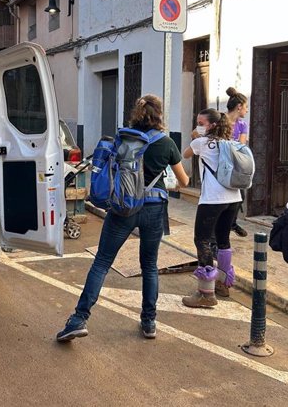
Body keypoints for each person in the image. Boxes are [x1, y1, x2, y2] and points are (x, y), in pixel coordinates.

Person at [56, 95, 189, 342]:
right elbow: (184, 182)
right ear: (159, 115)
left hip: (122, 207)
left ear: (136, 114)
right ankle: (149, 322)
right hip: (153, 210)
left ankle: (78, 319)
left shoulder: (123, 139)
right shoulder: (167, 143)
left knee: (102, 263)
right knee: (149, 266)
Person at [181, 108, 242, 307]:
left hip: (212, 199)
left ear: (212, 125)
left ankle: (206, 293)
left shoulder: (201, 143)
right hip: (233, 197)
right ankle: (224, 284)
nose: (198, 125)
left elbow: (186, 154)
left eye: (201, 122)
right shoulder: (231, 143)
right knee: (223, 241)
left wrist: (196, 136)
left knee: (203, 240)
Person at [226, 87, 249, 238]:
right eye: (246, 107)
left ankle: (231, 223)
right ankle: (225, 226)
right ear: (239, 106)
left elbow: (241, 145)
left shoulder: (242, 125)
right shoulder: (220, 119)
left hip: (236, 166)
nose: (246, 110)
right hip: (222, 165)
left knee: (240, 196)